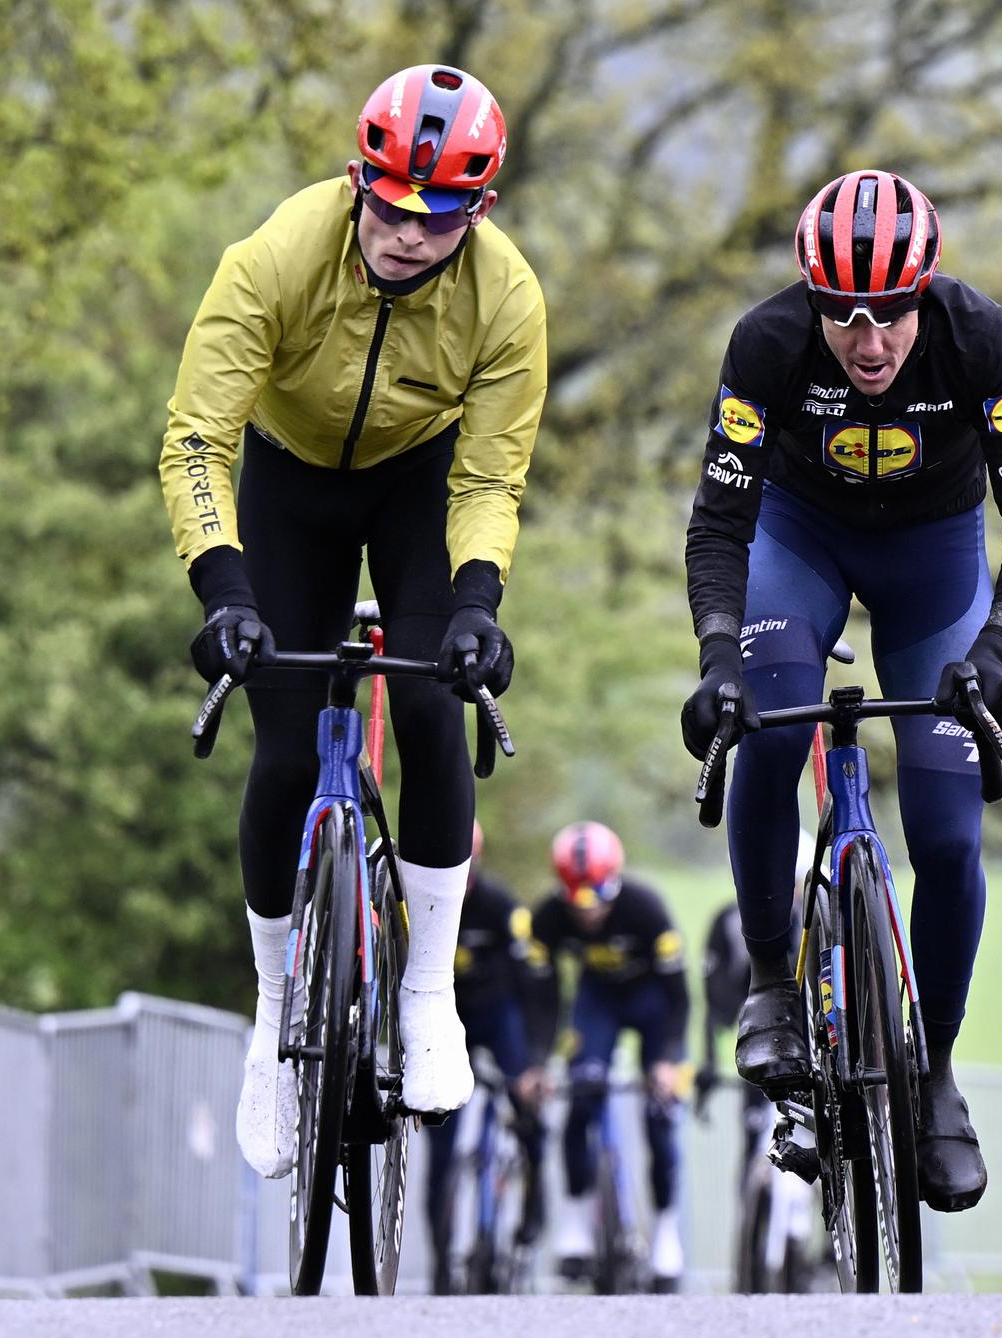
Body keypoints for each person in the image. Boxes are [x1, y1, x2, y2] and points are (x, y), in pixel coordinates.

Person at [158, 63, 548, 1178]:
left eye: (440, 216)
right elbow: (197, 439)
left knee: (430, 705)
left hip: (417, 484)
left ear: (479, 211)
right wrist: (226, 592)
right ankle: (271, 1012)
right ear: (356, 180)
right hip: (288, 484)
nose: (408, 234)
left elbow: (491, 476)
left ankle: (426, 993)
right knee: (285, 751)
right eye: (390, 206)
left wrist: (475, 602)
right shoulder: (276, 256)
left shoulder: (507, 297)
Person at [679, 168, 1002, 1213]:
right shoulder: (767, 344)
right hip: (798, 542)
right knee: (767, 728)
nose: (869, 340)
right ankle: (773, 982)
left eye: (892, 311)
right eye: (844, 314)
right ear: (811, 299)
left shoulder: (979, 339)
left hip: (933, 564)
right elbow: (720, 524)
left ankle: (935, 1073)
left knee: (946, 837)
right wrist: (718, 656)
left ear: (923, 293)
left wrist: (998, 648)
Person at [525, 822, 690, 1291]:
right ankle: (575, 1223)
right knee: (580, 1096)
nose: (589, 913)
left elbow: (679, 997)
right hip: (597, 1002)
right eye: (577, 902)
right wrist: (539, 1061)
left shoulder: (646, 908)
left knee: (660, 1114)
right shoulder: (548, 918)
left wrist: (667, 1060)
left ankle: (665, 1231)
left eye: (598, 898)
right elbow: (543, 997)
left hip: (653, 1004)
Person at [423, 820, 548, 1293]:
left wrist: (533, 1062)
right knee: (440, 1139)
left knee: (526, 1104)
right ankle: (441, 1253)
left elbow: (533, 981)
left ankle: (535, 1196)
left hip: (500, 1016)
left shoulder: (501, 906)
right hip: (449, 1016)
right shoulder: (421, 901)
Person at [696, 837, 813, 1291]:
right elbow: (715, 1002)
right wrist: (709, 1062)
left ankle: (815, 1245)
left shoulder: (819, 920)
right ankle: (748, 1264)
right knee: (752, 1151)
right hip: (764, 1052)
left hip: (812, 1052)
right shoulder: (732, 923)